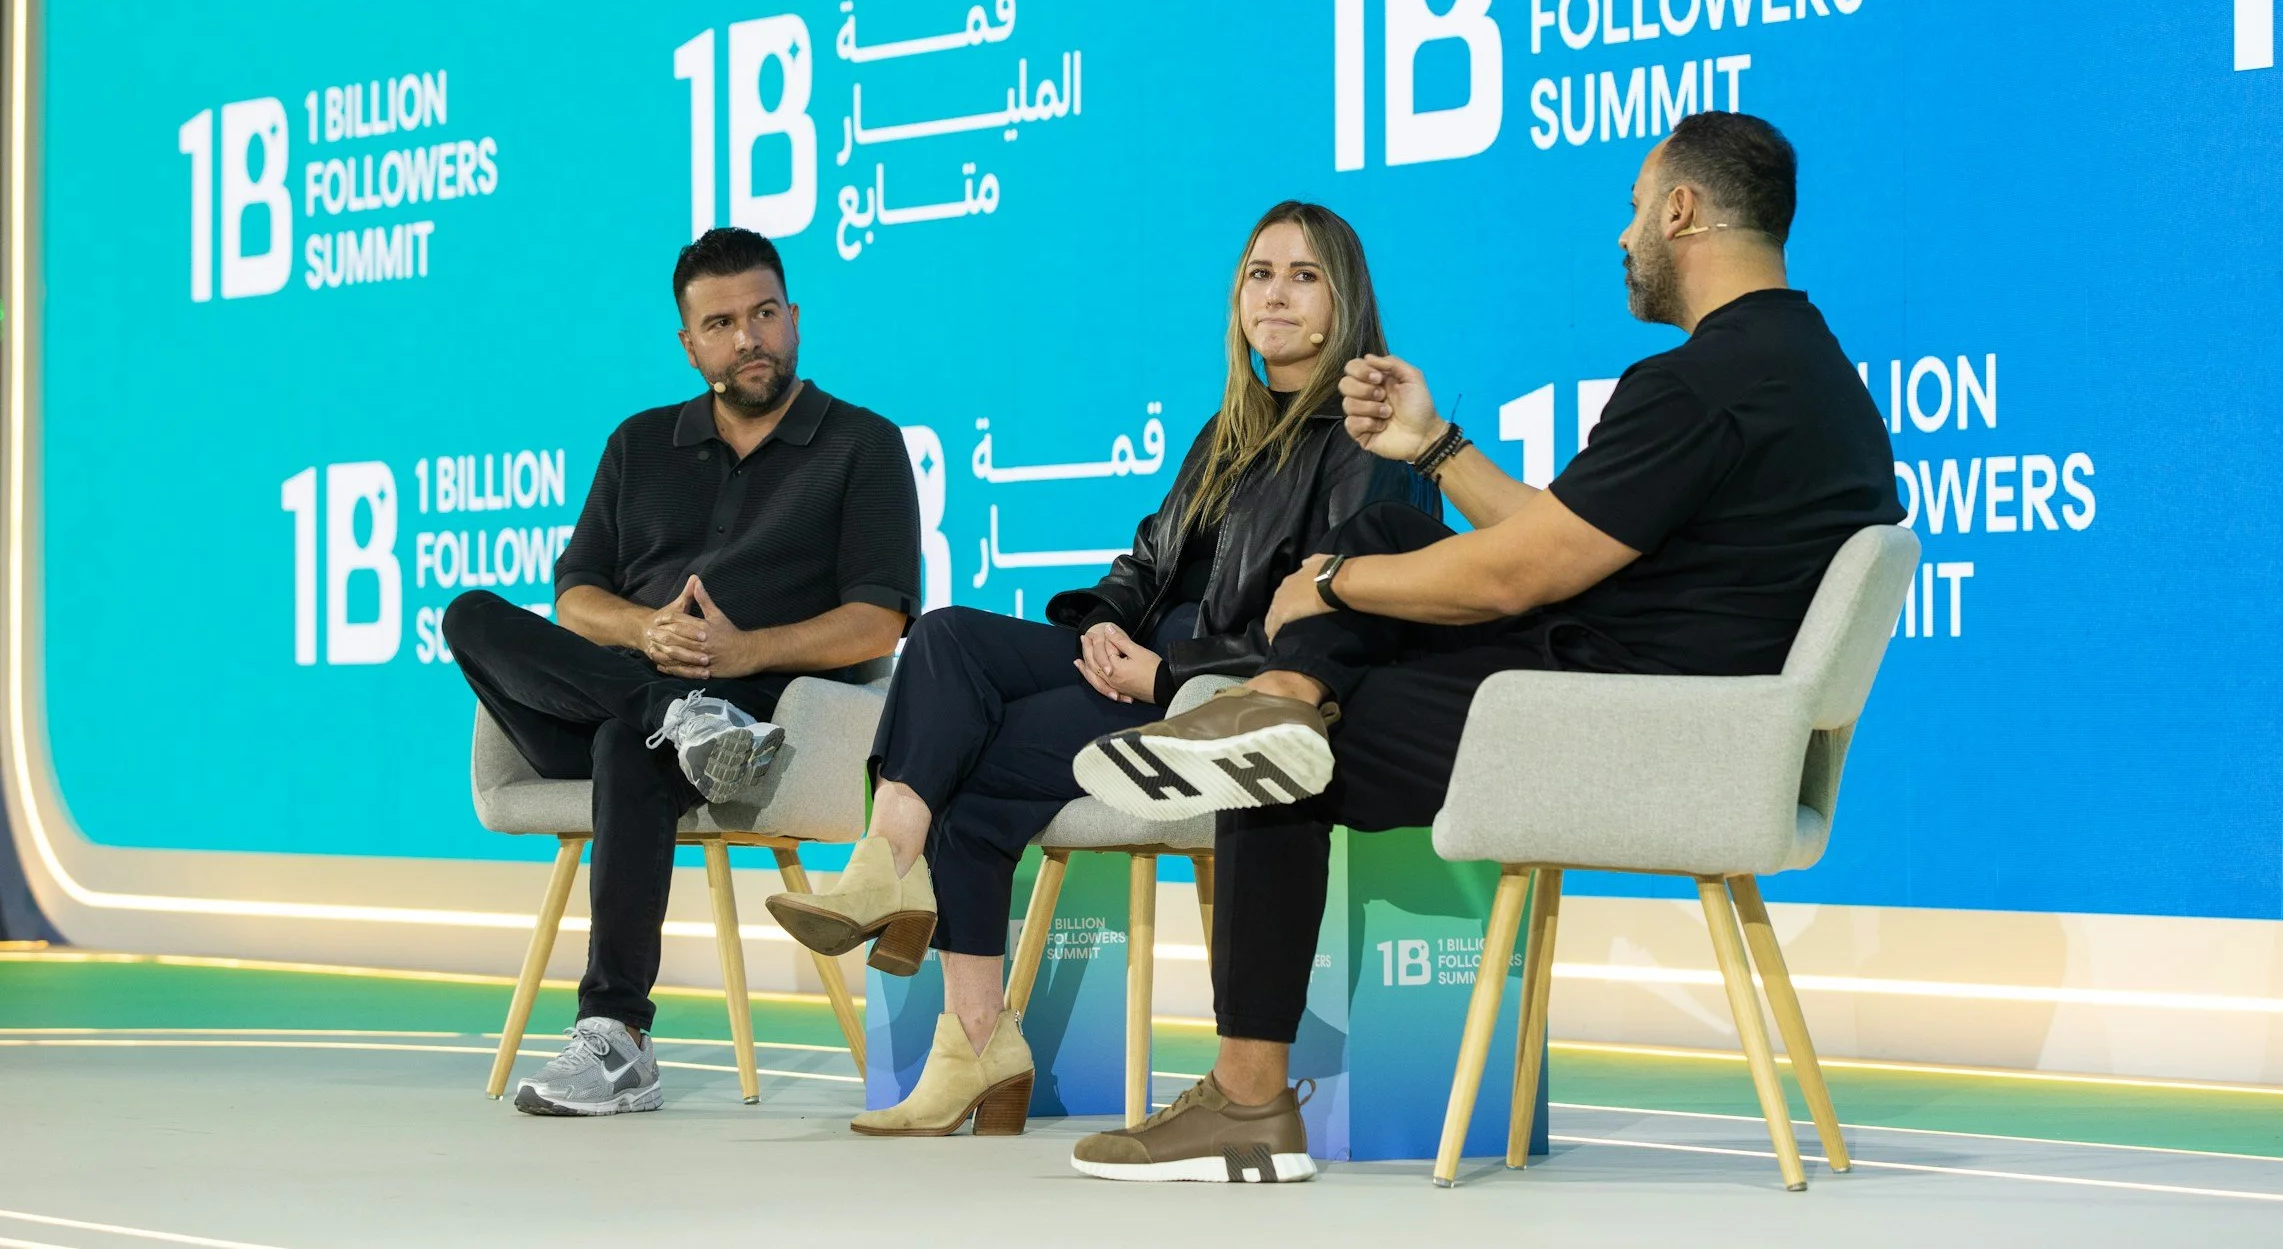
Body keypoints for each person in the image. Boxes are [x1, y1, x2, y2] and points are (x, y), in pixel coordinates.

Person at [1067, 112, 1905, 1182]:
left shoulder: (1696, 387)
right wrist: (1433, 446)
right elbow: (1556, 536)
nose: (1624, 233)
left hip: (1605, 725)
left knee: (1275, 767)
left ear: (1682, 211)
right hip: (1688, 721)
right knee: (1390, 526)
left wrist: (1327, 581)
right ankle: (1279, 693)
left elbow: (1520, 572)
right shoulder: (1812, 376)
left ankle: (1246, 1097)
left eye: (1637, 206)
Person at [765, 200, 1437, 1139]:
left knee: (977, 764)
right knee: (950, 634)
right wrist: (1105, 630)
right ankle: (889, 870)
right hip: (1138, 665)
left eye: (1301, 274)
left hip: (1210, 698)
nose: (1273, 293)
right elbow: (1146, 560)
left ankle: (966, 1028)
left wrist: (1161, 675)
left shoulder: (1368, 439)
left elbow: (1326, 622)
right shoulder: (1225, 434)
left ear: (1344, 303)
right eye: (1257, 273)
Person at [442, 227, 920, 1117]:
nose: (749, 338)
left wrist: (744, 651)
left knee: (631, 742)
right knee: (470, 614)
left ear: (795, 319)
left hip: (761, 725)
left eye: (765, 314)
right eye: (723, 323)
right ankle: (673, 713)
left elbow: (880, 617)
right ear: (690, 343)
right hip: (622, 693)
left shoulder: (862, 444)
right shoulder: (638, 444)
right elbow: (575, 596)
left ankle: (617, 1038)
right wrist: (647, 630)